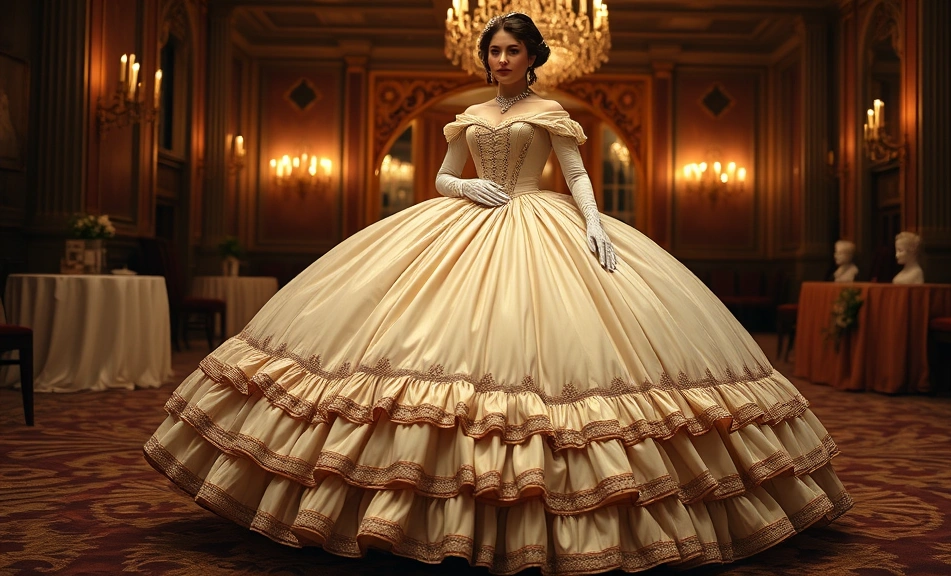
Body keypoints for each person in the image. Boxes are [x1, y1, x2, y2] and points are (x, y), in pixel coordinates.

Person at [144, 13, 851, 574]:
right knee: (417, 345)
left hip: (541, 222)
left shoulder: (549, 114)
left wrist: (596, 225)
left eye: (512, 51)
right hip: (464, 220)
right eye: (494, 51)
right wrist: (463, 186)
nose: (500, 60)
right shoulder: (472, 116)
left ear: (533, 56)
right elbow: (442, 176)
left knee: (557, 353)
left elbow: (575, 175)